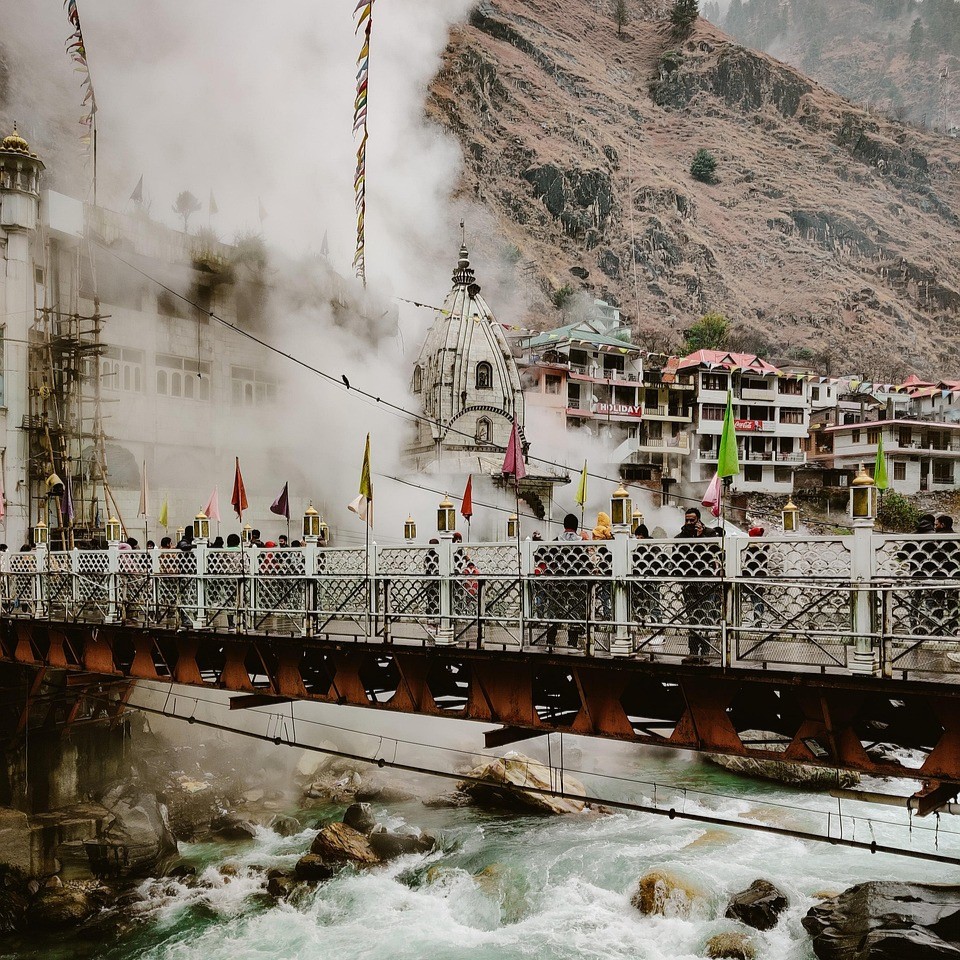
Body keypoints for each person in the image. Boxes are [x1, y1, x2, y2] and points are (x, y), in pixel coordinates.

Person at [675, 507, 723, 660]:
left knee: (706, 615)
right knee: (693, 617)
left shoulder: (710, 534)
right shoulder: (680, 537)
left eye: (692, 520)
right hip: (690, 581)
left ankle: (706, 649)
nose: (689, 523)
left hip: (706, 581)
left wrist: (701, 537)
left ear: (698, 520)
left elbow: (716, 551)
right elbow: (679, 556)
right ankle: (693, 650)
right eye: (687, 520)